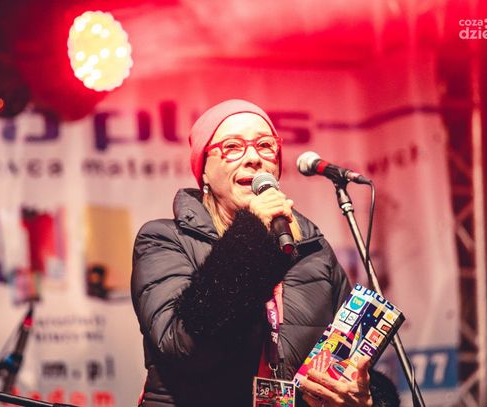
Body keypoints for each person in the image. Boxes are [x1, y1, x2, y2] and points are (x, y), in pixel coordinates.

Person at [131, 99, 400, 407]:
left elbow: (347, 364)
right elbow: (182, 346)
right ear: (203, 171)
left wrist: (367, 398)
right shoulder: (163, 238)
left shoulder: (314, 250)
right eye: (232, 147)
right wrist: (254, 233)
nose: (253, 158)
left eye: (265, 145)